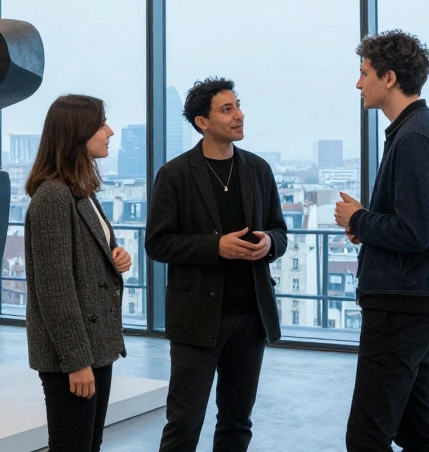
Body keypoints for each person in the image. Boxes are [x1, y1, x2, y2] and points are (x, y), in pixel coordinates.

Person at [334, 30, 429, 452]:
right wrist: (367, 225)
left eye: (364, 73)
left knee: (367, 435)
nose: (358, 84)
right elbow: (414, 225)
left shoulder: (414, 140)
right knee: (414, 426)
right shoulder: (420, 132)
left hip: (402, 303)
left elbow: (414, 232)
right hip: (415, 298)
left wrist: (359, 217)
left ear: (388, 78)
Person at [145, 77, 288, 452]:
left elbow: (280, 230)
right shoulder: (175, 174)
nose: (239, 115)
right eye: (227, 109)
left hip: (250, 317)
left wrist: (270, 243)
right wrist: (215, 247)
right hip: (197, 319)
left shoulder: (258, 170)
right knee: (184, 424)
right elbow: (157, 243)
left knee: (238, 422)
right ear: (202, 122)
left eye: (238, 106)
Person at [25, 94, 134, 452]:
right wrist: (76, 362)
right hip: (73, 355)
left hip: (95, 345)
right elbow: (54, 289)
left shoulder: (80, 190)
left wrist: (114, 255)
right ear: (77, 131)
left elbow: (87, 254)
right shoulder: (53, 197)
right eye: (102, 124)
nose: (110, 131)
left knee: (88, 445)